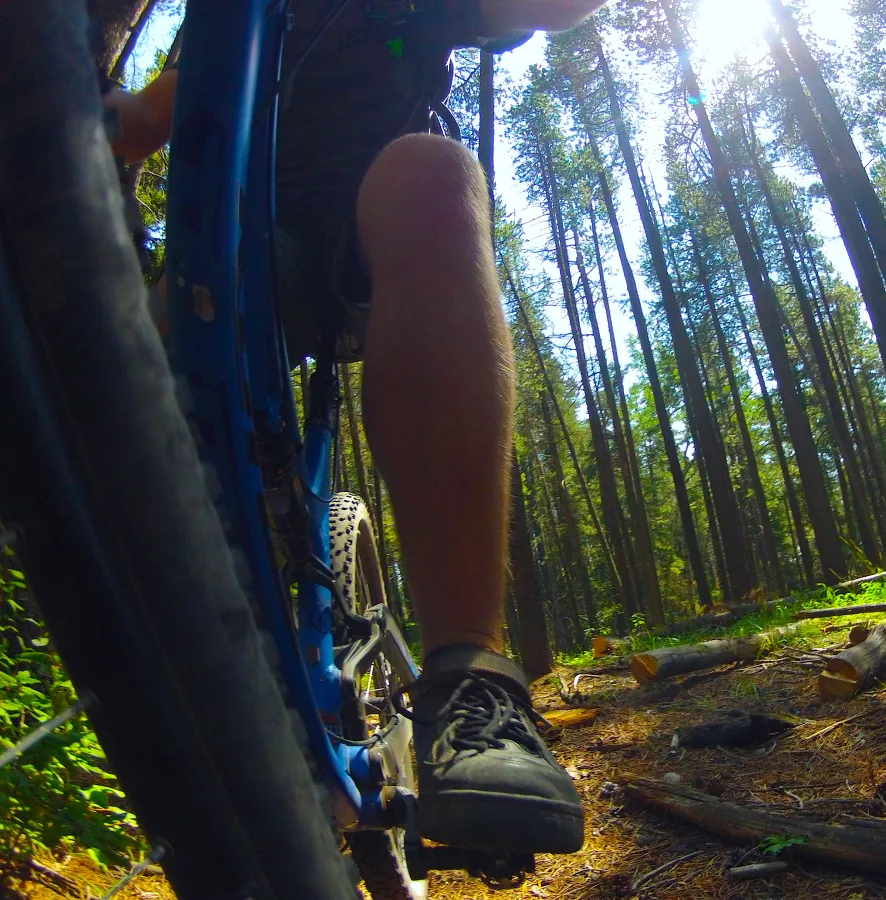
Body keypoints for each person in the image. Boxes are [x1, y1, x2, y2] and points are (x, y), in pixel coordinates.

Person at [107, 0, 607, 855]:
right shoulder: (235, 26)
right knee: (127, 343)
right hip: (233, 247)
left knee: (432, 172)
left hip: (364, 243)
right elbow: (137, 120)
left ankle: (467, 684)